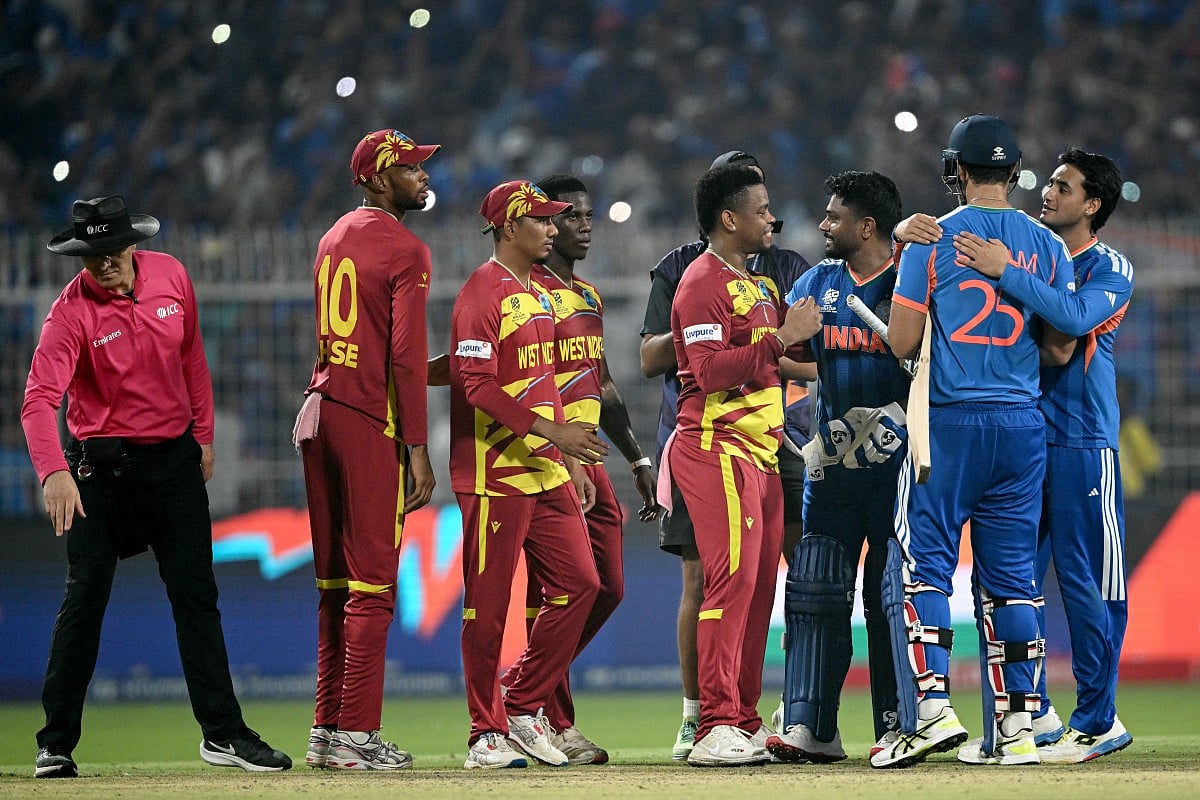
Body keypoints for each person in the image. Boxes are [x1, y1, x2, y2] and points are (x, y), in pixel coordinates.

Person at [21, 195, 291, 778]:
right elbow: (39, 401)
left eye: (109, 251)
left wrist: (205, 433)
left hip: (173, 461)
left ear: (132, 244)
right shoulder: (69, 315)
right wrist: (53, 471)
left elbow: (193, 355)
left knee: (197, 597)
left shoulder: (172, 276)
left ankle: (223, 735)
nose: (101, 264)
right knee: (85, 598)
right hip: (101, 470)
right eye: (89, 256)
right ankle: (55, 742)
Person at [870, 114, 1075, 769]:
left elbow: (901, 341)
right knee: (1014, 583)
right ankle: (1017, 728)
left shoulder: (933, 237)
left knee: (924, 568)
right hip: (1021, 424)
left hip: (948, 423)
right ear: (1015, 174)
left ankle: (931, 713)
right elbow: (1064, 345)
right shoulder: (1049, 246)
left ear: (955, 172)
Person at [952, 147, 1135, 763]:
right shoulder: (1034, 250)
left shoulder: (1110, 267)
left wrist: (1006, 272)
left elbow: (1075, 319)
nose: (1047, 191)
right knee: (1004, 583)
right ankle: (1025, 718)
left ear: (1093, 204)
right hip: (1024, 436)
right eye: (1048, 182)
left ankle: (1097, 719)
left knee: (1089, 584)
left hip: (1082, 441)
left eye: (1063, 185)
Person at [638, 151, 815, 760]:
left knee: (759, 587)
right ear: (729, 218)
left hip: (761, 454)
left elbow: (772, 362)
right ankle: (713, 722)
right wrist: (781, 336)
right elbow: (709, 374)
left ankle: (740, 717)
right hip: (715, 448)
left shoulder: (755, 284)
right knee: (727, 583)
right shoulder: (702, 282)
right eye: (762, 210)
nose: (773, 219)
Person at [497, 175, 660, 765]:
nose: (584, 225)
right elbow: (529, 388)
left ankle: (525, 687)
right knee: (559, 594)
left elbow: (603, 386)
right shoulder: (522, 294)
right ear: (540, 225)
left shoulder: (587, 298)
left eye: (589, 216)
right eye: (570, 217)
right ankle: (551, 719)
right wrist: (564, 452)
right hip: (542, 460)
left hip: (589, 458)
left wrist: (637, 457)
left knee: (607, 588)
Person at [293, 129, 439, 770]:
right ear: (379, 179)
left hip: (319, 409)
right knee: (373, 584)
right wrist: (417, 445)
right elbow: (404, 358)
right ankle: (357, 732)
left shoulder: (332, 238)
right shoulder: (407, 249)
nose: (422, 177)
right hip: (367, 420)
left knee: (332, 584)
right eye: (410, 169)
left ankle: (327, 729)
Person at [450, 180, 607, 770]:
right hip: (495, 474)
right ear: (510, 227)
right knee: (487, 609)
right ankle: (483, 734)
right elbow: (476, 384)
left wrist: (567, 455)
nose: (552, 229)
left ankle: (519, 704)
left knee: (582, 586)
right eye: (542, 221)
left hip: (545, 470)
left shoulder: (537, 293)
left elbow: (547, 382)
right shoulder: (480, 292)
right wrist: (557, 435)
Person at [765, 171, 909, 764]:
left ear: (867, 226)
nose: (823, 225)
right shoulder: (817, 282)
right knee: (815, 589)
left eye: (834, 217)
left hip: (899, 471)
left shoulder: (910, 281)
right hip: (831, 471)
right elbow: (789, 359)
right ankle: (811, 726)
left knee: (892, 594)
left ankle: (900, 724)